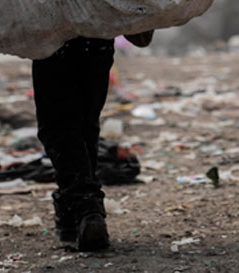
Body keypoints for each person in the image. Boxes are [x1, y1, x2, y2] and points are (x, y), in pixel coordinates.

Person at [32, 30, 153, 251]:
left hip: (54, 42)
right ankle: (73, 211)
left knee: (58, 127)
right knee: (85, 124)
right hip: (98, 44)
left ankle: (86, 207)